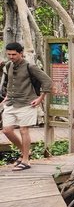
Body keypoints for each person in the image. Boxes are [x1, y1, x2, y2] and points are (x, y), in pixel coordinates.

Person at [1, 42, 52, 170]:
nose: (11, 57)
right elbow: (9, 82)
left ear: (21, 53)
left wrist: (40, 98)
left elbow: (47, 81)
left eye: (14, 54)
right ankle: (25, 152)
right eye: (9, 54)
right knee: (6, 130)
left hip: (27, 103)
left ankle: (25, 161)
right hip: (12, 103)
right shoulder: (8, 65)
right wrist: (7, 96)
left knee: (24, 130)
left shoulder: (30, 66)